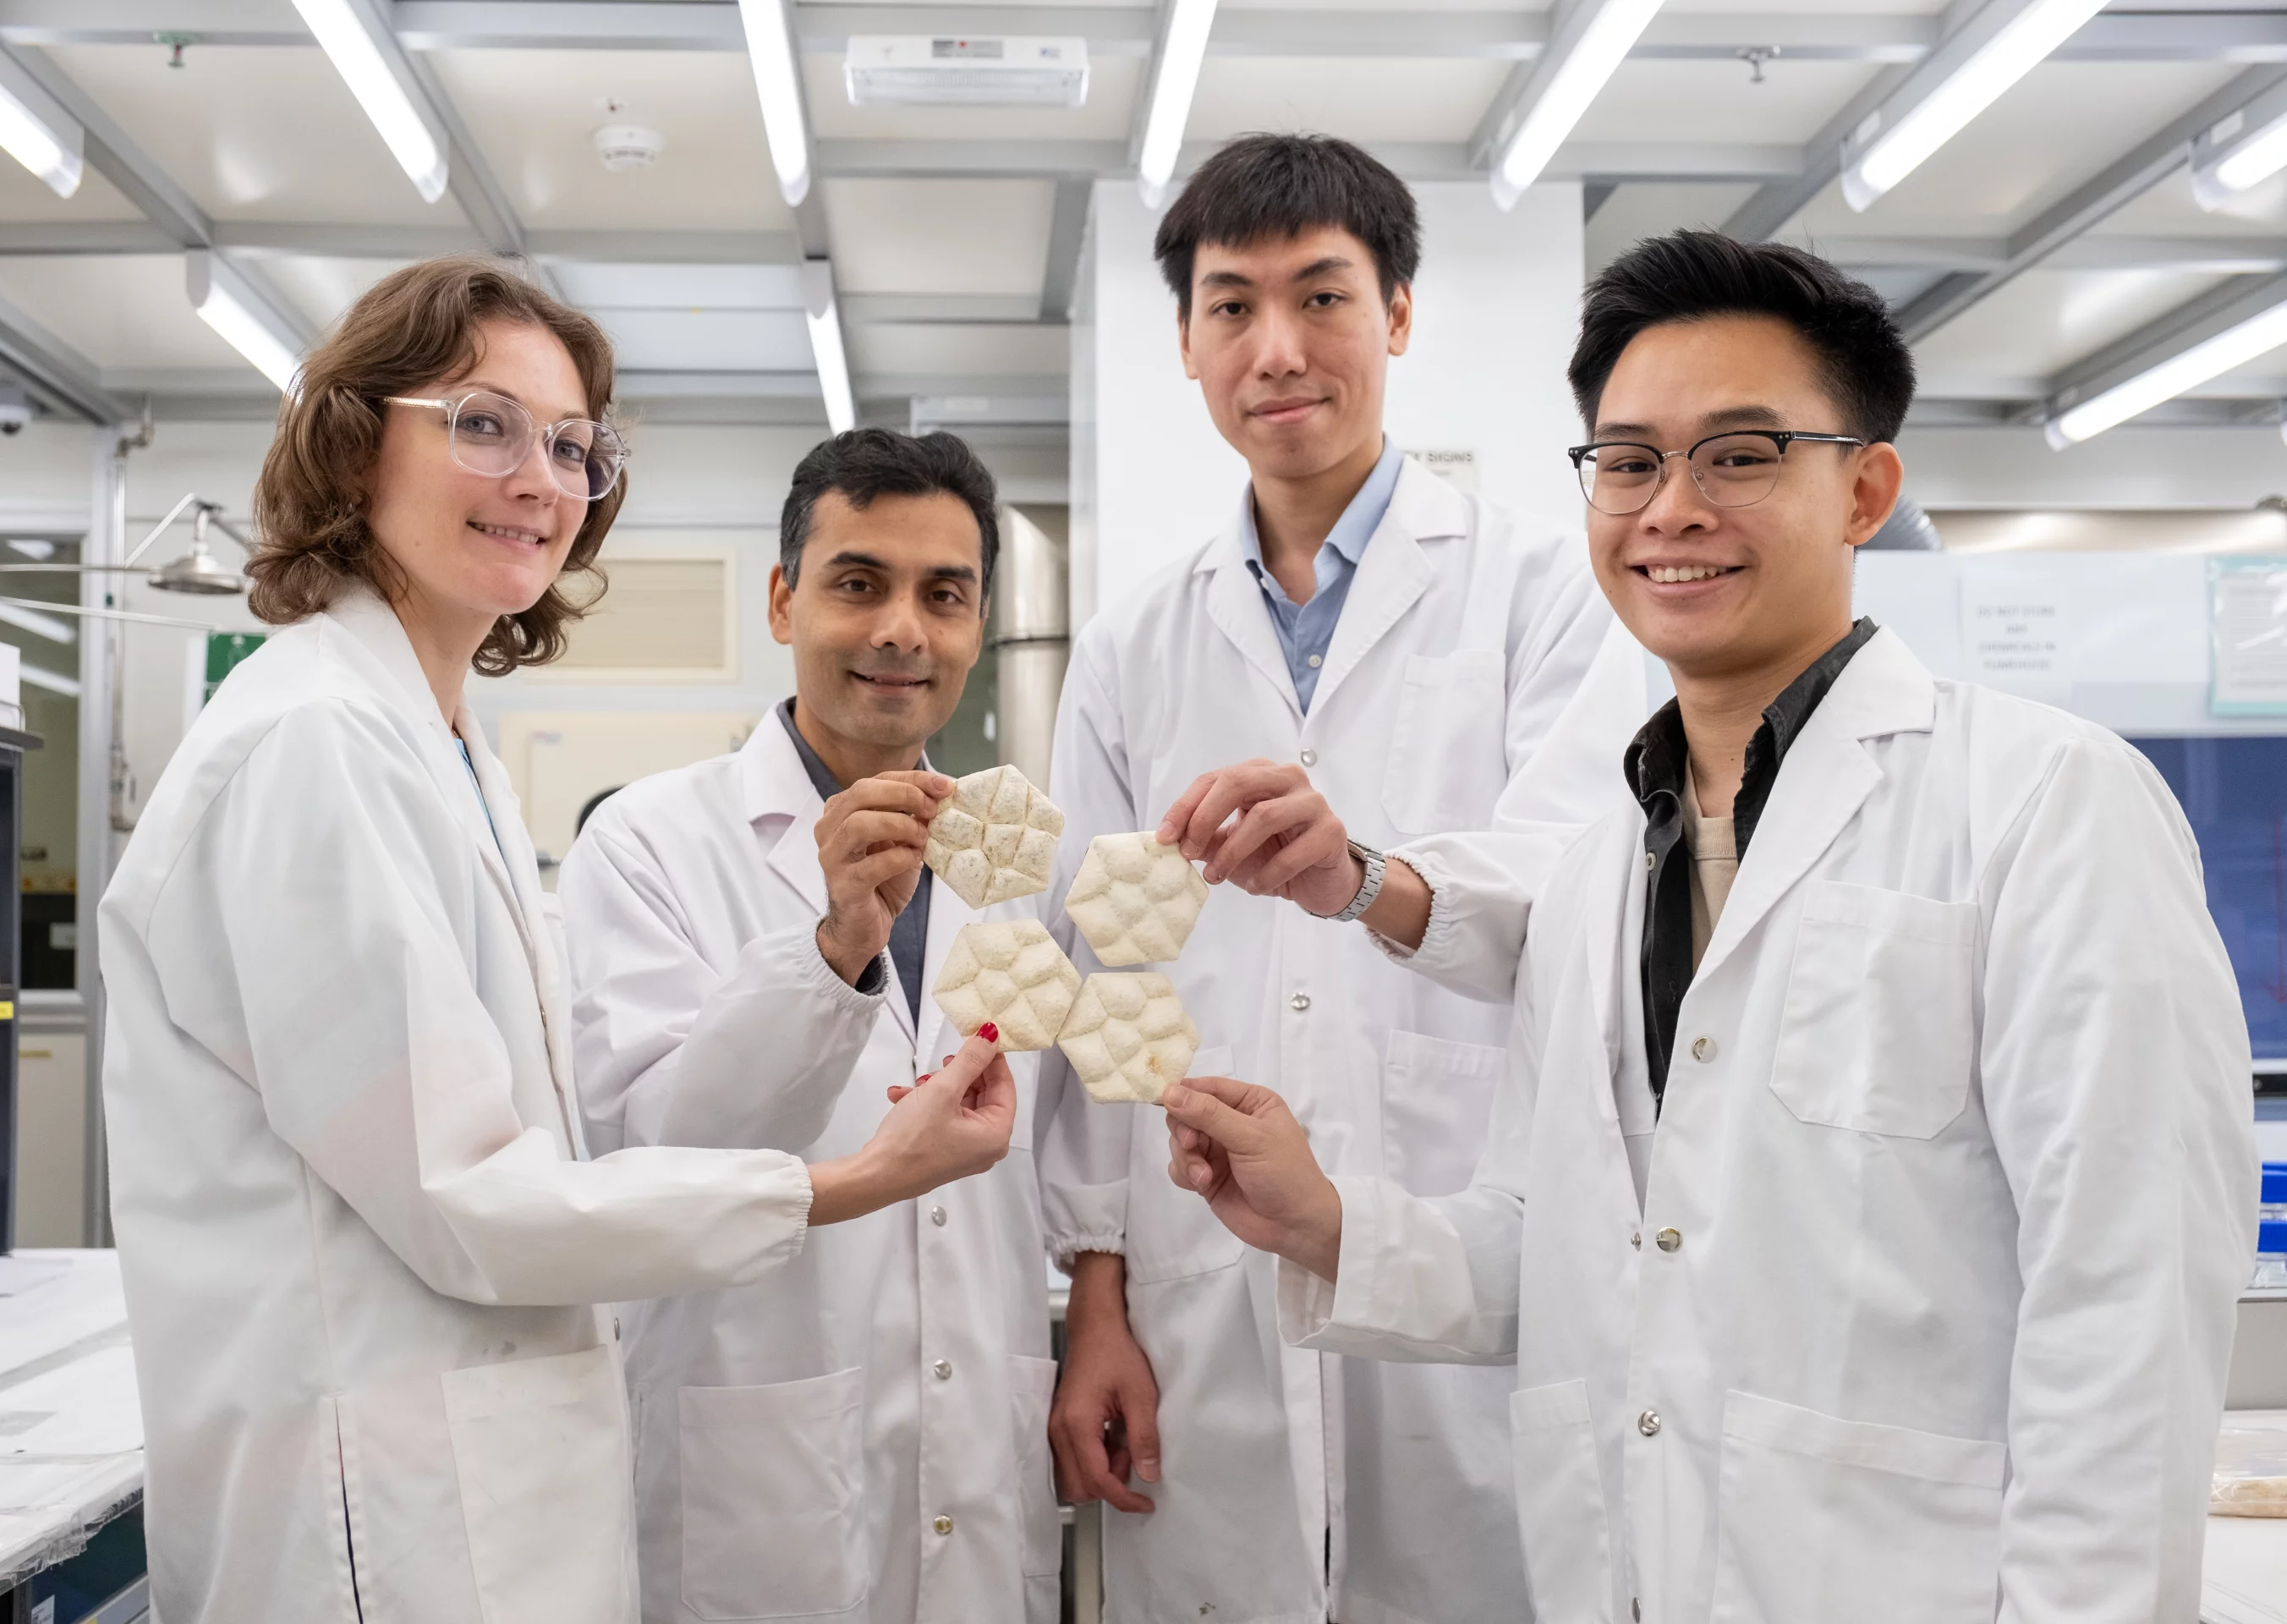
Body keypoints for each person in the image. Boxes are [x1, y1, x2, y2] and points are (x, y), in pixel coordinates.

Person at [1158, 231, 2257, 1624]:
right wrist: (1325, 1222)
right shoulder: (1606, 866)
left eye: (1740, 455)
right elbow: (1567, 1252)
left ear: (1865, 489)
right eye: (1628, 462)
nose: (1671, 507)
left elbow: (2128, 1303)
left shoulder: (2045, 803)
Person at [99, 260, 1017, 1624]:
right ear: (357, 442)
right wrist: (850, 1180)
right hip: (374, 1520)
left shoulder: (426, 742)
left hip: (474, 1495)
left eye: (572, 444)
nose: (539, 476)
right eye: (482, 423)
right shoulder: (314, 748)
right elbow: (476, 1198)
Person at [1039, 133, 1643, 1624]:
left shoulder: (1545, 591)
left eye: (1324, 296)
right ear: (1185, 341)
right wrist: (1098, 1299)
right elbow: (1103, 990)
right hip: (1201, 1277)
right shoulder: (1131, 647)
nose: (1279, 348)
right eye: (1233, 305)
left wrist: (1375, 880)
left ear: (1400, 315)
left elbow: (1589, 889)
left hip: (1468, 1245)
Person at [562, 429, 1061, 1624]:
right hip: (757, 1451)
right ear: (784, 600)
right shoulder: (649, 842)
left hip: (976, 1448)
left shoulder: (1018, 863)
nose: (901, 630)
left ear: (978, 626)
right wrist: (833, 947)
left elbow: (1062, 1164)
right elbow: (652, 1151)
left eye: (944, 596)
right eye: (858, 583)